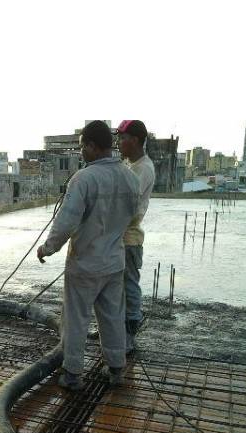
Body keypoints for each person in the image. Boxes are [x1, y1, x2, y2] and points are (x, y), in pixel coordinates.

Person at [36, 121, 140, 391]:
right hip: (114, 261)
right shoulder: (130, 177)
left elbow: (66, 222)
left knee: (75, 319)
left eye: (83, 146)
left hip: (85, 263)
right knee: (112, 317)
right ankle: (117, 368)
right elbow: (133, 216)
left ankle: (72, 374)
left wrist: (47, 248)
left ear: (93, 146)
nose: (82, 151)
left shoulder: (84, 178)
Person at [117, 120, 156, 353]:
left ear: (136, 140)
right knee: (113, 288)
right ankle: (113, 328)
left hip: (129, 239)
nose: (120, 143)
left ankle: (129, 336)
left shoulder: (143, 169)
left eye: (123, 138)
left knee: (129, 288)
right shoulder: (128, 164)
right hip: (116, 237)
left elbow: (128, 206)